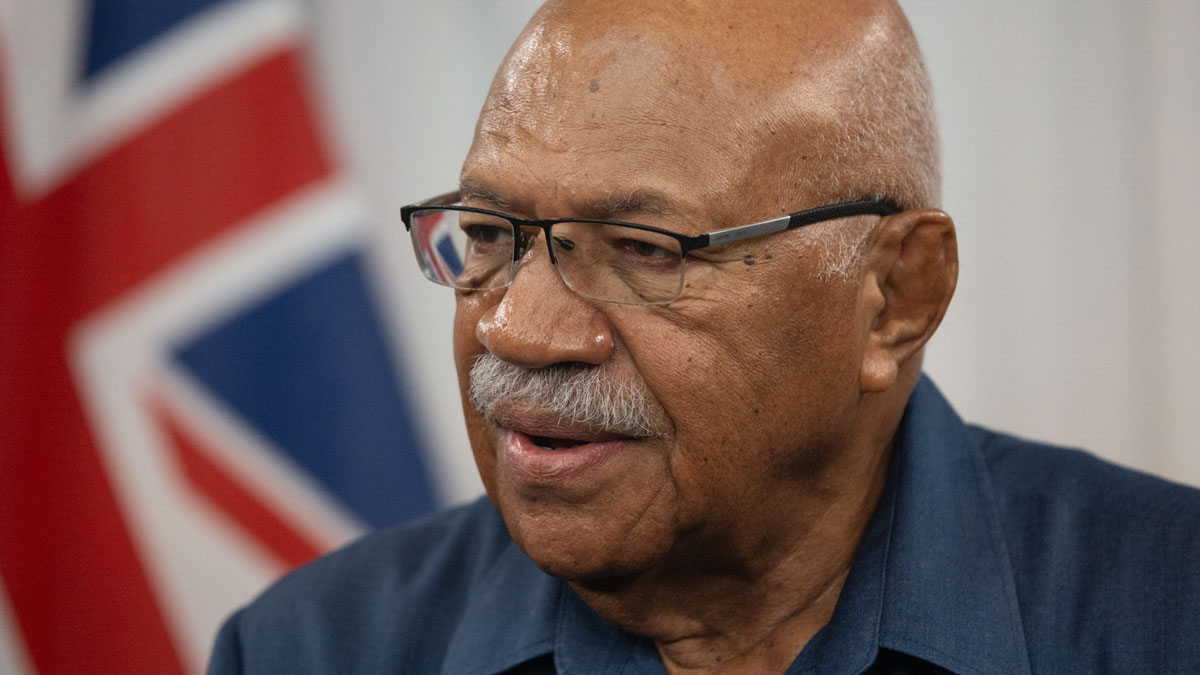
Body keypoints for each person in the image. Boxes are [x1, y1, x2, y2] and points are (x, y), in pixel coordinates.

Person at [209, 0, 1200, 673]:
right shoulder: (312, 648)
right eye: (490, 235)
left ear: (897, 296)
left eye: (645, 251)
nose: (519, 327)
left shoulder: (1169, 611)